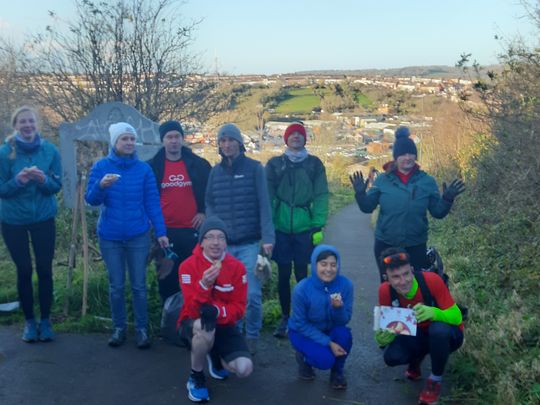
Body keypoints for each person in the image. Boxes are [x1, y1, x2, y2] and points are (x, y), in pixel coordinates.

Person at [85, 122, 169, 349]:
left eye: (132, 139)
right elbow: (91, 200)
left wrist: (161, 232)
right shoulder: (101, 167)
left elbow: (152, 203)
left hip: (138, 236)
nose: (130, 143)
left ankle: (142, 329)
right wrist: (101, 186)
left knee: (139, 285)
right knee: (117, 286)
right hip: (110, 236)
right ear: (115, 142)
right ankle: (119, 328)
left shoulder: (144, 170)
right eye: (124, 139)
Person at [350, 126, 465, 282]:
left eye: (411, 153)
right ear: (395, 157)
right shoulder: (383, 180)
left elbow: (438, 213)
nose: (407, 157)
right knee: (389, 287)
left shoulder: (427, 182)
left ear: (415, 156)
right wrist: (360, 194)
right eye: (403, 154)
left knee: (416, 289)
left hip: (416, 246)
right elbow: (367, 207)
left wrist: (447, 199)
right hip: (386, 246)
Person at [205, 123, 275, 353]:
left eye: (230, 140)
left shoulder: (255, 169)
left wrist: (268, 238)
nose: (226, 145)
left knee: (252, 295)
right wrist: (212, 234)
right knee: (226, 294)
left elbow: (265, 205)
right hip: (223, 247)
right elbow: (210, 203)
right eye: (222, 141)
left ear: (239, 143)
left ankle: (252, 336)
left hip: (250, 243)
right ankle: (234, 336)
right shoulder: (215, 172)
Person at [0, 106, 62, 343]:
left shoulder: (50, 151)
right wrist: (19, 180)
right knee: (24, 270)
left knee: (45, 269)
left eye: (31, 122)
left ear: (37, 125)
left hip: (43, 219)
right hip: (13, 221)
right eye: (23, 122)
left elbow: (56, 186)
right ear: (15, 125)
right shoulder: (5, 153)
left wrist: (42, 179)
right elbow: (1, 189)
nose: (27, 126)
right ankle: (29, 321)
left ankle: (45, 321)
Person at [375, 247, 464, 405]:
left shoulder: (431, 280)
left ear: (412, 270)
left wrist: (434, 313)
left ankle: (434, 381)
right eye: (395, 277)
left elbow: (457, 317)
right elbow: (388, 327)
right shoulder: (385, 291)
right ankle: (415, 361)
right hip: (416, 333)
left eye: (406, 274)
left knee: (438, 330)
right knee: (391, 357)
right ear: (386, 278)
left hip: (447, 335)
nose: (403, 281)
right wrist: (383, 338)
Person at [178, 216, 252, 403]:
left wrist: (218, 311)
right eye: (210, 237)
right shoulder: (187, 266)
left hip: (224, 323)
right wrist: (204, 284)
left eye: (221, 237)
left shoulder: (237, 268)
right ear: (201, 242)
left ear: (226, 242)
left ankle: (215, 355)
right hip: (193, 322)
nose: (216, 242)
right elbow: (191, 308)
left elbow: (239, 308)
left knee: (244, 369)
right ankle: (196, 377)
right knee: (205, 330)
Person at [266, 122, 329, 338]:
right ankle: (285, 317)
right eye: (291, 134)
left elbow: (321, 195)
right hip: (280, 227)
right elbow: (267, 196)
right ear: (285, 139)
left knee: (302, 274)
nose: (295, 137)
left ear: (305, 139)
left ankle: (302, 317)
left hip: (305, 227)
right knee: (283, 274)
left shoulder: (314, 164)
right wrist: (268, 226)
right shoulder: (275, 164)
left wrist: (317, 225)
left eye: (299, 134)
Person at [147, 120, 211, 302]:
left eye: (177, 136)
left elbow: (210, 193)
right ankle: (169, 322)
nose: (173, 141)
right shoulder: (152, 166)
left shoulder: (199, 165)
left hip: (192, 230)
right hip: (164, 233)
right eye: (169, 137)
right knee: (167, 278)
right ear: (163, 140)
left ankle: (193, 321)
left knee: (193, 276)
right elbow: (146, 197)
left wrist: (203, 211)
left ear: (182, 139)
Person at [288, 245, 353, 390]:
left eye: (333, 265)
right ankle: (303, 359)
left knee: (344, 335)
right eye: (323, 264)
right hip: (302, 332)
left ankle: (337, 372)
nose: (328, 269)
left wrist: (338, 308)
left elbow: (344, 320)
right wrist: (329, 343)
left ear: (338, 265)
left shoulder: (346, 285)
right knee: (324, 360)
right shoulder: (302, 289)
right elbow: (301, 324)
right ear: (314, 264)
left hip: (329, 329)